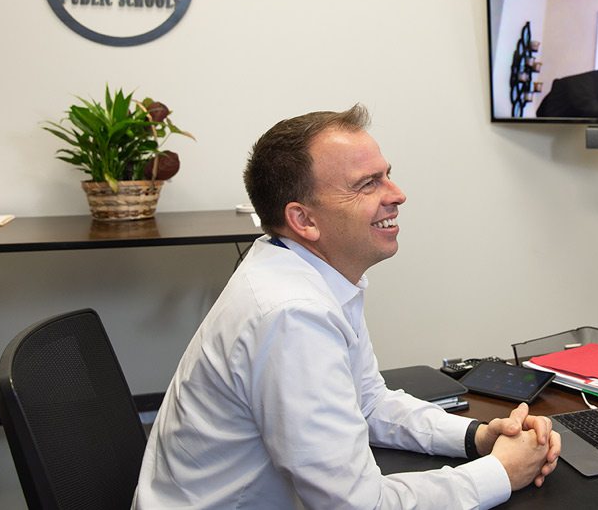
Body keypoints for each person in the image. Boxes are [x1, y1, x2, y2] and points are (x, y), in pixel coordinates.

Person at [134, 105, 561, 509]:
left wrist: (479, 437)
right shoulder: (291, 313)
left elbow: (368, 402)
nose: (397, 194)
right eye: (367, 184)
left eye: (387, 176)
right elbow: (357, 504)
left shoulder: (302, 269)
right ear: (304, 220)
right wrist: (501, 472)